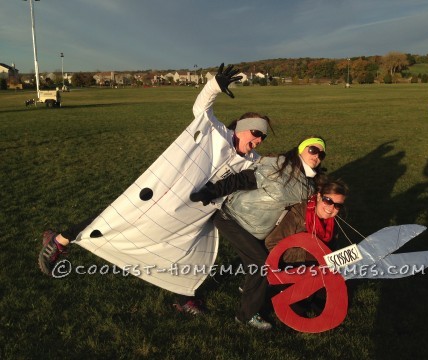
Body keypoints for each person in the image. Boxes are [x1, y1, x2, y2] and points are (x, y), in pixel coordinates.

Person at [38, 63, 272, 316]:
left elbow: (273, 173)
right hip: (168, 194)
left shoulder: (252, 160)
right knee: (120, 216)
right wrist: (214, 86)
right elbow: (200, 109)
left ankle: (184, 297)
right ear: (241, 127)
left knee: (188, 251)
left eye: (262, 137)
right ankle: (59, 240)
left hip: (196, 213)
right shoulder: (216, 133)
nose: (258, 140)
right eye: (256, 132)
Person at [191, 136, 327, 329]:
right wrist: (211, 191)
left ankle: (250, 286)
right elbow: (243, 179)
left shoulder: (309, 185)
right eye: (313, 150)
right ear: (300, 150)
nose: (317, 156)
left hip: (258, 230)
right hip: (232, 218)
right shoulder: (278, 168)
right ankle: (245, 316)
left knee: (261, 259)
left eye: (321, 153)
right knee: (260, 264)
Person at [265, 178, 349, 264]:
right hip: (292, 268)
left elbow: (332, 248)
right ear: (319, 196)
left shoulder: (332, 221)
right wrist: (307, 256)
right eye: (328, 201)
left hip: (319, 268)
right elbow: (272, 244)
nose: (331, 208)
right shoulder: (297, 214)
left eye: (338, 205)